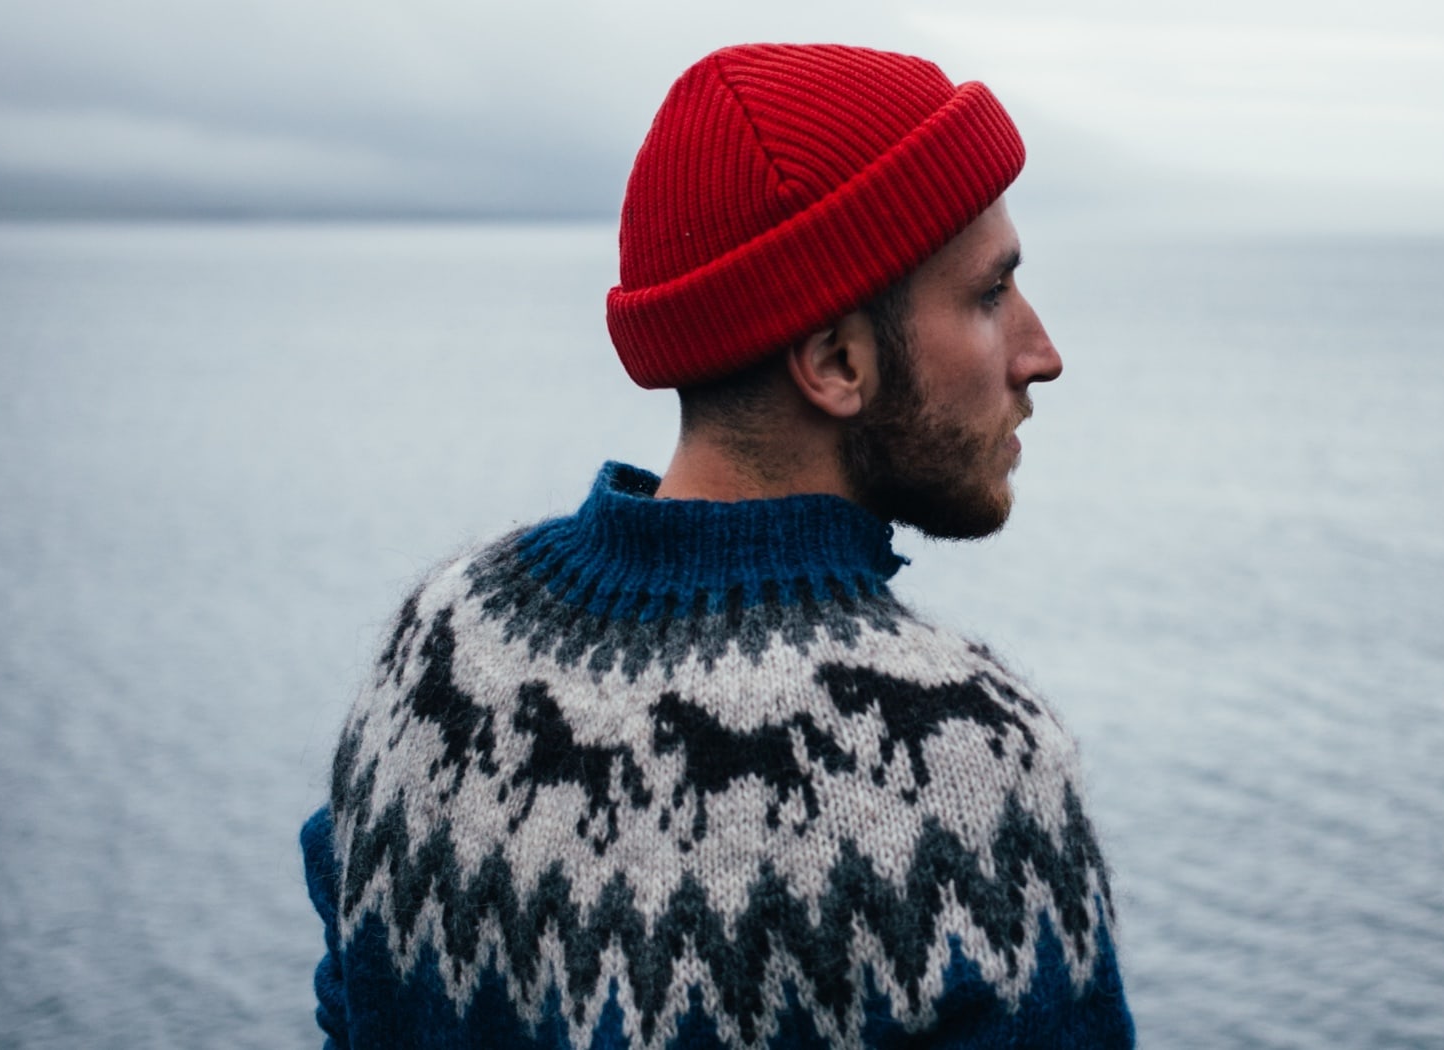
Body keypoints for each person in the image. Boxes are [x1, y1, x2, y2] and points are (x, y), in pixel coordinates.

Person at [301, 42, 1135, 1049]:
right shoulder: (962, 768)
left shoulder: (436, 657)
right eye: (990, 294)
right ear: (836, 360)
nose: (1041, 354)